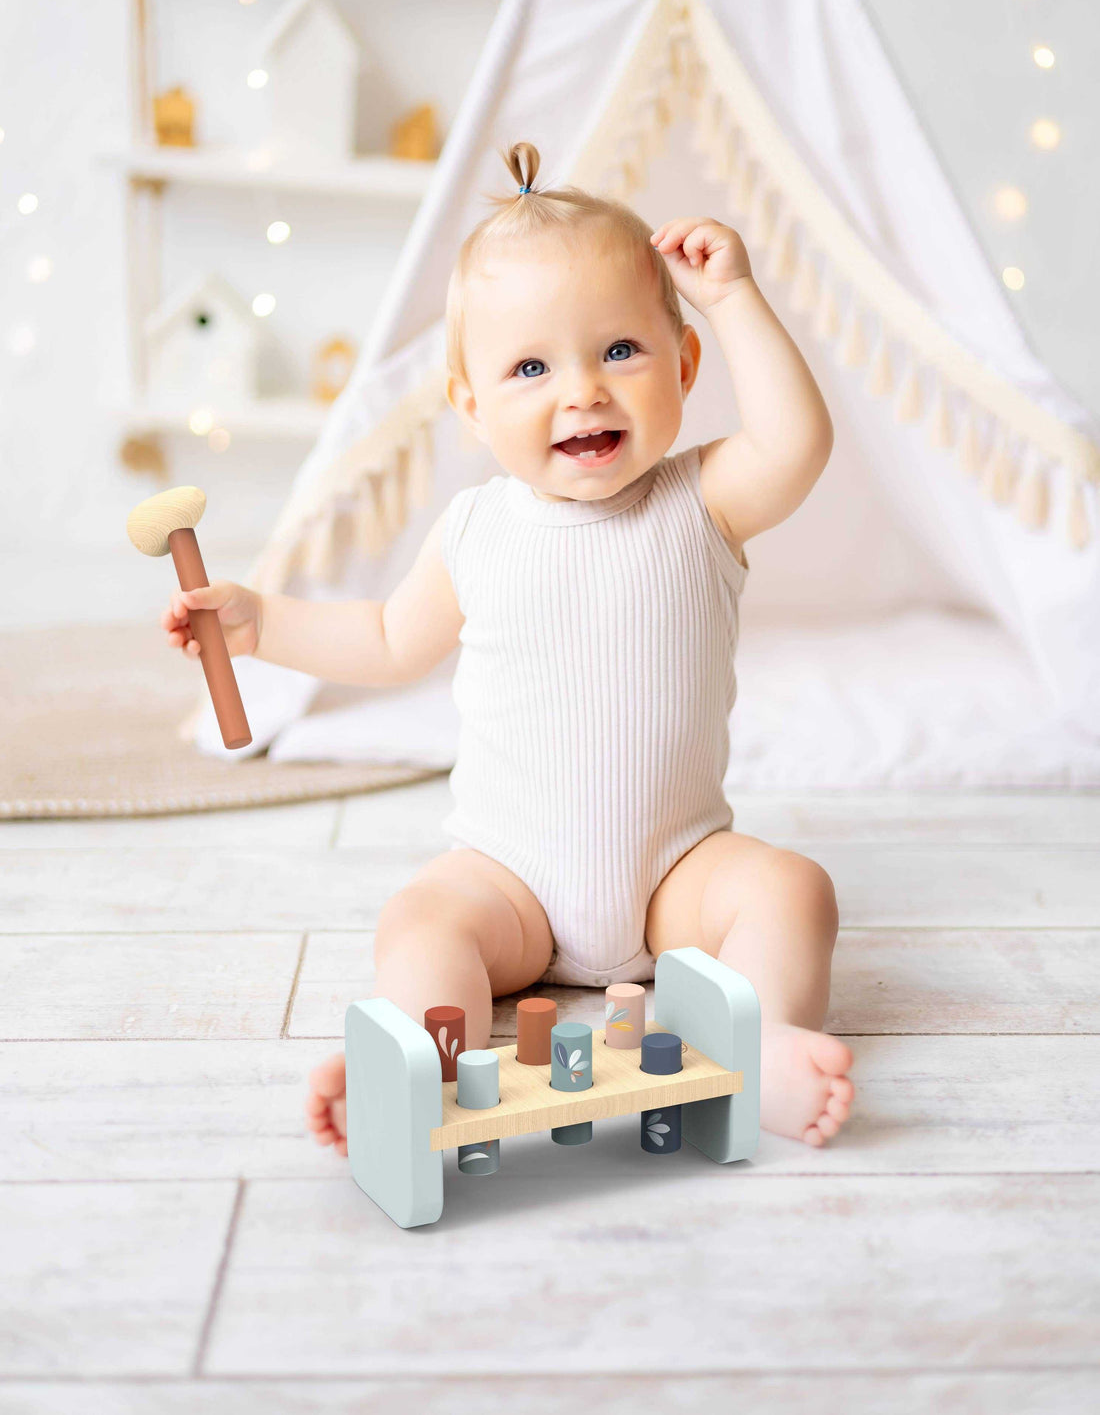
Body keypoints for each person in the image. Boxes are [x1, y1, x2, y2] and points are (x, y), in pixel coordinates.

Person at [162, 141, 854, 1153]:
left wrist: (735, 295)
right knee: (420, 921)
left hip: (675, 876)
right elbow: (389, 638)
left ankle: (759, 1043)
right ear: (472, 405)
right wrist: (262, 622)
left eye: (619, 350)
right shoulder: (475, 530)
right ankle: (413, 1066)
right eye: (530, 368)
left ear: (683, 364)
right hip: (510, 879)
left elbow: (797, 443)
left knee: (793, 890)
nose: (580, 392)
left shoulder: (701, 500)